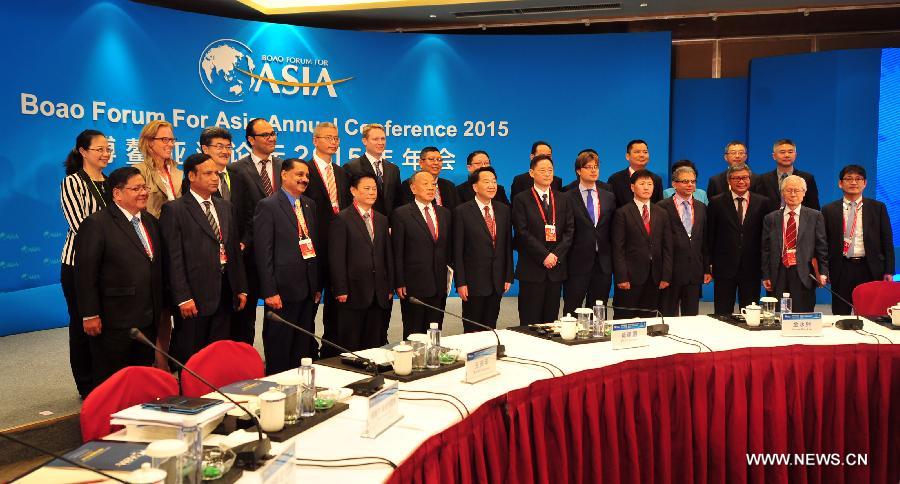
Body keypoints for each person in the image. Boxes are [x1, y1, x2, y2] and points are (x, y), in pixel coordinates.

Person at [74, 167, 162, 387]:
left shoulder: (150, 221)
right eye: (136, 188)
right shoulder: (97, 224)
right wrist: (89, 314)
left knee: (142, 379)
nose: (143, 192)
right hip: (113, 320)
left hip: (147, 317)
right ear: (117, 193)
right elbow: (86, 273)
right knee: (112, 382)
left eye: (145, 187)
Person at [160, 153, 247, 363]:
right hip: (194, 295)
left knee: (218, 353)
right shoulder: (175, 209)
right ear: (191, 176)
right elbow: (174, 258)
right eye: (208, 173)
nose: (214, 178)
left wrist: (240, 286)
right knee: (192, 352)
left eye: (216, 173)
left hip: (225, 290)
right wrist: (182, 297)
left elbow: (233, 251)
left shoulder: (225, 207)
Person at [254, 159, 321, 374]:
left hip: (307, 290)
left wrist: (316, 285)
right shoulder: (268, 206)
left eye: (307, 176)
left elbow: (311, 247)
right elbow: (263, 253)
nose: (304, 179)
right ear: (284, 174)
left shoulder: (309, 205)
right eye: (299, 174)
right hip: (281, 292)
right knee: (280, 347)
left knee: (302, 348)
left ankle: (301, 391)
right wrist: (269, 291)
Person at [60, 129, 113, 398]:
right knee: (83, 324)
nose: (106, 154)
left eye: (108, 149)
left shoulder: (111, 181)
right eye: (99, 149)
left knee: (107, 325)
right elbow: (80, 226)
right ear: (82, 151)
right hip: (78, 264)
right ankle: (86, 384)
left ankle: (106, 379)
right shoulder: (73, 183)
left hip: (111, 266)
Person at [230, 118, 282, 345]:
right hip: (250, 253)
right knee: (245, 316)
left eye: (273, 133)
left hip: (280, 252)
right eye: (265, 134)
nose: (271, 138)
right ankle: (245, 362)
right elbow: (237, 211)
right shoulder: (236, 170)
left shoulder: (284, 167)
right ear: (251, 140)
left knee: (277, 314)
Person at [303, 122, 352, 357]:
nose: (334, 142)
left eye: (336, 138)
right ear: (315, 140)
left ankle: (331, 350)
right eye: (328, 138)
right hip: (312, 248)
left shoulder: (342, 173)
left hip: (339, 248)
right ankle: (306, 352)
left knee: (337, 304)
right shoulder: (304, 170)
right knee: (309, 305)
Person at [135, 120, 181, 370]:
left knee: (174, 306)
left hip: (177, 245)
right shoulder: (139, 171)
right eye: (164, 140)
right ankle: (158, 364)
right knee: (159, 310)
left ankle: (170, 360)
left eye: (171, 140)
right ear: (148, 142)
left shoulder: (177, 171)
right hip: (152, 245)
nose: (169, 145)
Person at [330, 174, 394, 351]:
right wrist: (340, 288)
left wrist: (389, 286)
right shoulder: (342, 218)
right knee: (351, 343)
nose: (372, 192)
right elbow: (337, 258)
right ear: (353, 191)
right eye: (367, 188)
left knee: (374, 342)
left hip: (378, 292)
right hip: (353, 291)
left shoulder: (381, 219)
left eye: (374, 189)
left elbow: (387, 255)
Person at [822, 165, 894, 315]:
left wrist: (889, 270)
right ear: (840, 183)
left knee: (869, 313)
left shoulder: (878, 208)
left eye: (858, 179)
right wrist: (825, 269)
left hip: (869, 267)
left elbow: (887, 241)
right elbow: (824, 243)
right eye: (849, 179)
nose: (853, 182)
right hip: (841, 267)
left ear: (865, 183)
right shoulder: (829, 209)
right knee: (840, 313)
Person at [512, 154, 574, 324]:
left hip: (556, 268)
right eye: (542, 170)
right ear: (531, 173)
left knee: (551, 320)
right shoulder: (521, 199)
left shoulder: (563, 198)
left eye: (550, 170)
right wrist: (544, 255)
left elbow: (569, 231)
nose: (547, 174)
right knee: (530, 319)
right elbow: (522, 232)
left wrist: (555, 255)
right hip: (532, 268)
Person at [392, 171, 452, 339]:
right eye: (425, 184)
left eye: (433, 184)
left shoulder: (444, 213)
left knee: (435, 331)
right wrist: (400, 280)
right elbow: (397, 251)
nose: (430, 187)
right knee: (414, 333)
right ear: (413, 188)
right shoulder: (401, 214)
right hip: (413, 284)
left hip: (439, 284)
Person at [706, 163, 772, 314]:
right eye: (736, 178)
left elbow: (766, 236)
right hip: (724, 266)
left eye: (744, 178)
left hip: (752, 266)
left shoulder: (763, 202)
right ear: (729, 180)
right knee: (722, 312)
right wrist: (709, 262)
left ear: (750, 179)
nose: (741, 181)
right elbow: (710, 235)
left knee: (750, 312)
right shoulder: (716, 202)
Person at [454, 167, 513, 332]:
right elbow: (458, 250)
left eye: (494, 182)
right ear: (475, 186)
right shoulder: (462, 211)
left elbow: (506, 244)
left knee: (490, 326)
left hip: (497, 279)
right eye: (486, 182)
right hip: (473, 281)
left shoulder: (503, 210)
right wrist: (461, 282)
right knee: (472, 328)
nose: (492, 185)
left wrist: (508, 275)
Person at [762, 175, 829, 312]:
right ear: (782, 193)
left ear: (804, 193)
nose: (793, 194)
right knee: (777, 314)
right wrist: (766, 274)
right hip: (778, 271)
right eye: (788, 190)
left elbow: (821, 247)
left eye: (797, 190)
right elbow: (765, 249)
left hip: (804, 271)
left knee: (802, 312)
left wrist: (823, 272)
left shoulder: (815, 216)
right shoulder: (771, 218)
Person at [611, 169, 672, 318]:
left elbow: (667, 247)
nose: (646, 187)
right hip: (630, 277)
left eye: (650, 184)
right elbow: (618, 248)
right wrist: (621, 277)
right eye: (642, 183)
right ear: (632, 187)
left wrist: (666, 275)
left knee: (649, 319)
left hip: (655, 276)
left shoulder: (661, 212)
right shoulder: (622, 213)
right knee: (624, 318)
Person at [561, 150, 616, 315]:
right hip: (577, 261)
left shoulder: (609, 196)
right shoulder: (567, 197)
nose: (594, 170)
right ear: (578, 171)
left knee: (599, 308)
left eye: (596, 167)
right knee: (572, 307)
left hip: (603, 262)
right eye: (588, 167)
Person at [657, 164, 710, 316]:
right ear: (674, 184)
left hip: (694, 272)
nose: (690, 184)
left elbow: (704, 241)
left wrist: (706, 268)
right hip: (670, 272)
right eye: (685, 181)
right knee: (667, 316)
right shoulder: (662, 207)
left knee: (691, 317)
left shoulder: (701, 207)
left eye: (693, 181)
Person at [343, 123, 402, 217]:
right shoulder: (352, 167)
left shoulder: (393, 169)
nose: (380, 142)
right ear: (364, 141)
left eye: (383, 139)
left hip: (389, 226)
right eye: (375, 139)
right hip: (362, 223)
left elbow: (398, 201)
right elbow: (347, 200)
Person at [756, 138, 820, 210]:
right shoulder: (763, 179)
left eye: (790, 152)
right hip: (771, 220)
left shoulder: (807, 178)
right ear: (774, 156)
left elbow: (814, 207)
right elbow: (759, 207)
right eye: (782, 152)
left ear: (795, 155)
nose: (787, 155)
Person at [607, 139, 664, 208]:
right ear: (627, 156)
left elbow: (659, 207)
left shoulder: (656, 179)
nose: (642, 155)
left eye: (645, 152)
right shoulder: (615, 179)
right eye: (637, 152)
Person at [401, 147, 460, 211]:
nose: (436, 163)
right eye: (431, 159)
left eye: (439, 159)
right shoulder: (409, 184)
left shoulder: (449, 186)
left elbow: (456, 211)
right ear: (421, 163)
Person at [199, 126, 237, 201]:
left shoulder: (239, 176)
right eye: (219, 147)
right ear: (205, 149)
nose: (225, 152)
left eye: (228, 147)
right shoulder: (196, 179)